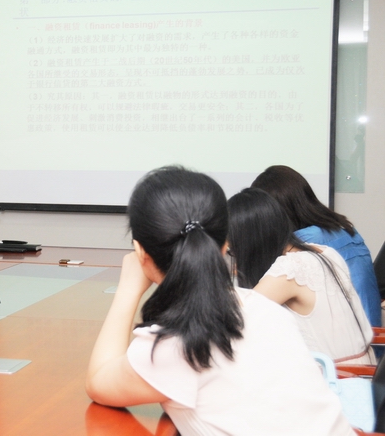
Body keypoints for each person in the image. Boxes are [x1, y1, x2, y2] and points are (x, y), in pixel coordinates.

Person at [86, 167, 353, 435]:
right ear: (225, 245)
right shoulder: (266, 309)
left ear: (140, 252)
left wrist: (128, 288)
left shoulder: (174, 344)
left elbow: (98, 382)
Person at [227, 188, 374, 363]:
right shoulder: (325, 252)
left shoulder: (290, 269)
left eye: (233, 249)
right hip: (364, 370)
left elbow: (236, 316)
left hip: (336, 376)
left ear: (250, 243)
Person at [252, 165, 381, 327]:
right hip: (372, 334)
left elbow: (254, 308)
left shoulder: (300, 245)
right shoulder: (348, 230)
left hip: (341, 338)